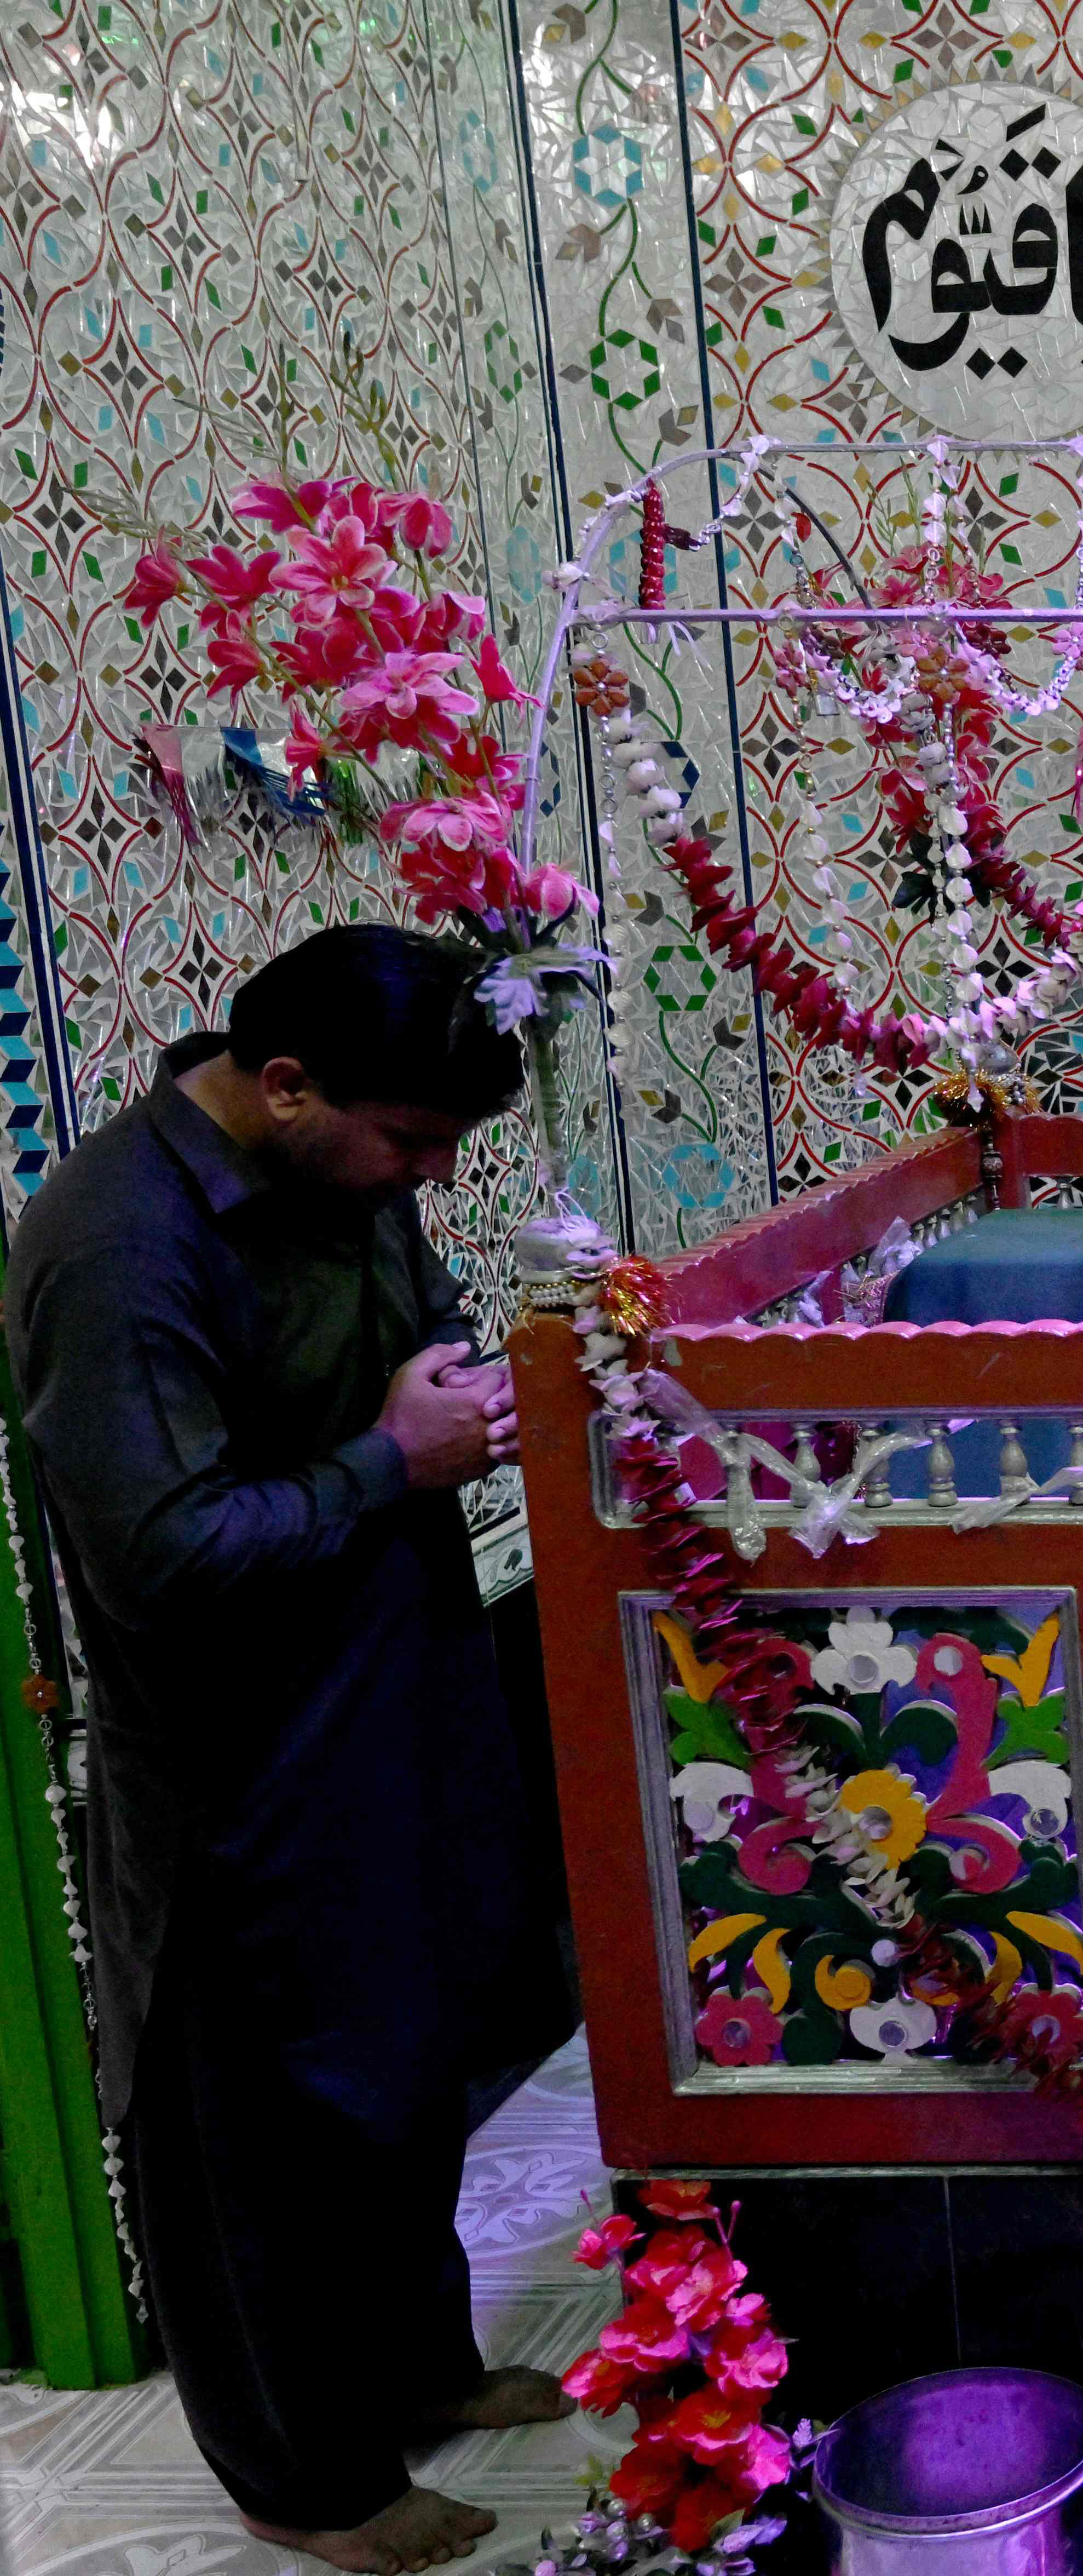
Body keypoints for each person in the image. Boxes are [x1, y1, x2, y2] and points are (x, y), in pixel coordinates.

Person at [8, 925, 571, 2574]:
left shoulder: (341, 1171)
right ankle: (304, 2483)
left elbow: (416, 1336)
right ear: (283, 1083)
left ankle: (416, 2373)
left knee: (399, 2082)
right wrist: (398, 1458)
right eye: (410, 1144)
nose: (425, 1173)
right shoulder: (116, 1241)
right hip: (238, 1772)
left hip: (391, 1701)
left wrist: (474, 1389)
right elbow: (160, 1552)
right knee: (260, 2131)